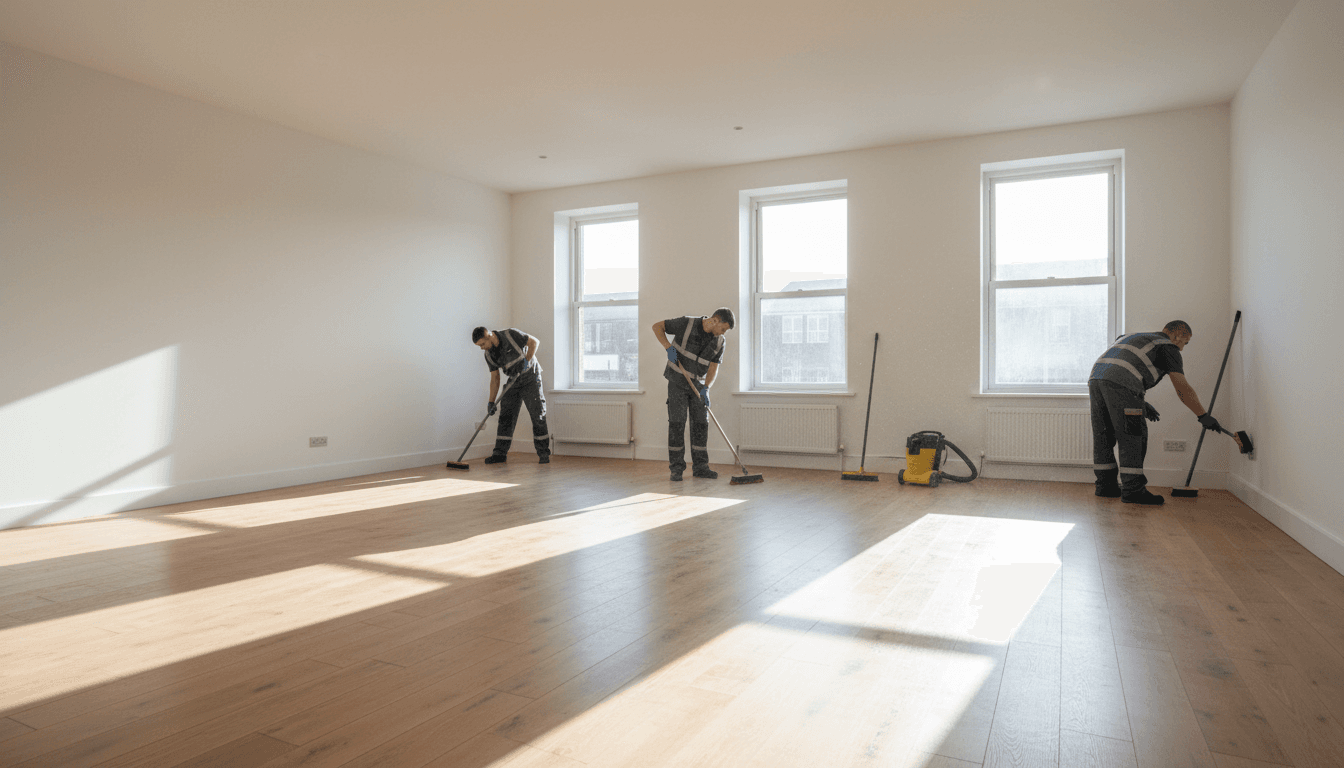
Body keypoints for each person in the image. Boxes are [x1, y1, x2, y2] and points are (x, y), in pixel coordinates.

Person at [1089, 319, 1224, 505]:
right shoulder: (1168, 347)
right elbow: (1182, 388)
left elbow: (1121, 368)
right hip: (1122, 383)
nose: (1183, 348)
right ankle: (1133, 491)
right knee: (1133, 435)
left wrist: (1141, 402)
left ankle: (1105, 486)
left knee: (1103, 434)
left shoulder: (1132, 336)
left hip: (1096, 378)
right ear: (1178, 335)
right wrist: (1203, 415)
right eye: (1185, 343)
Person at [652, 309, 734, 481]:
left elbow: (713, 367)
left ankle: (701, 467)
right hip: (677, 381)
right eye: (723, 329)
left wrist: (706, 388)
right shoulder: (686, 323)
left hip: (697, 385)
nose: (723, 333)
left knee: (701, 424)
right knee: (677, 423)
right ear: (715, 321)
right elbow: (657, 326)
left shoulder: (720, 341)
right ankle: (676, 469)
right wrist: (668, 347)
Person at [472, 326, 550, 464]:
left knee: (537, 413)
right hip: (514, 379)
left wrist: (527, 360)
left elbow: (534, 342)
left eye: (482, 344)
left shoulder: (510, 335)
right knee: (506, 414)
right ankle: (499, 454)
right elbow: (495, 378)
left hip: (530, 376)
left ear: (489, 335)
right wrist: (491, 402)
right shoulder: (489, 355)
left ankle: (543, 453)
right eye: (479, 346)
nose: (482, 348)